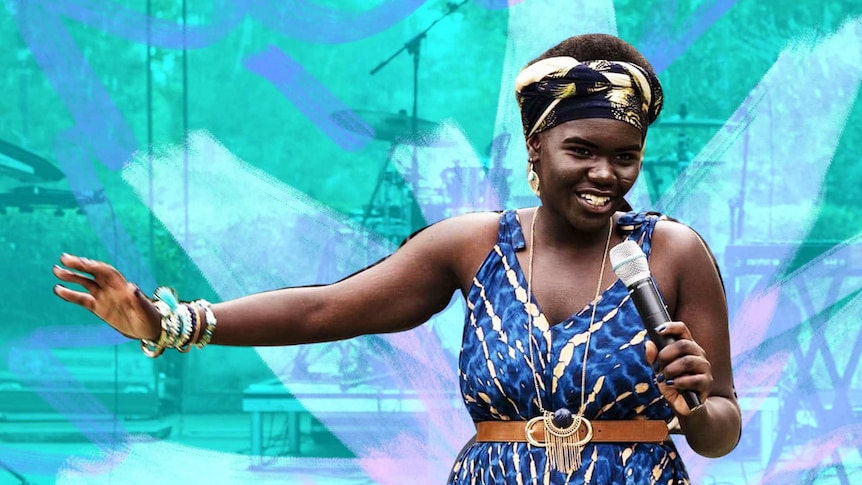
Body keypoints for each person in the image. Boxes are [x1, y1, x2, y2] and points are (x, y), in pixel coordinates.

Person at [53, 33, 741, 484]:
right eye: (581, 151)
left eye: (624, 157)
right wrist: (172, 324)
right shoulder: (474, 246)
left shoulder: (671, 253)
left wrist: (695, 407)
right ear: (536, 149)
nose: (605, 174)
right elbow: (324, 307)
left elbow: (720, 427)